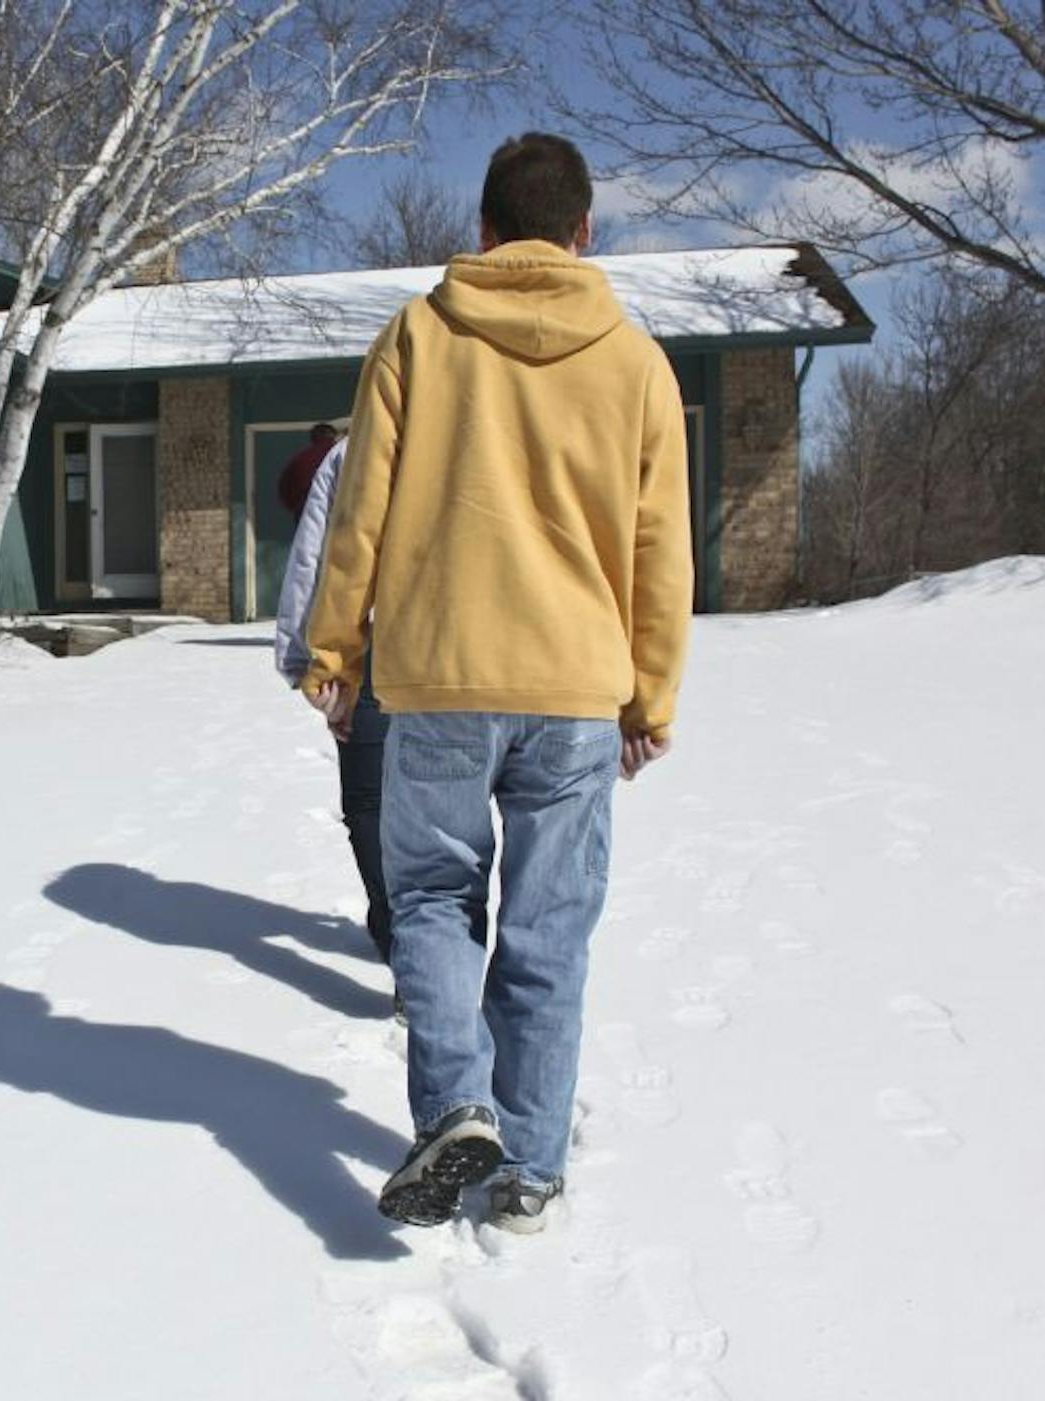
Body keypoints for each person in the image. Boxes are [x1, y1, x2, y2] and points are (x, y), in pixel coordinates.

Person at [299, 133, 692, 1234]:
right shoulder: (636, 362)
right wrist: (651, 694)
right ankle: (526, 1171)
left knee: (430, 897)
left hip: (436, 679)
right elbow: (663, 549)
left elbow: (358, 510)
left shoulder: (420, 336)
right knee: (549, 929)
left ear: (479, 232)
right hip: (574, 690)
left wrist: (335, 652)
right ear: (584, 233)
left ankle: (456, 1106)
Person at [273, 432, 394, 979]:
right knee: (446, 814)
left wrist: (306, 657)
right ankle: (440, 953)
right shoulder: (477, 429)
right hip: (462, 656)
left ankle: (402, 938)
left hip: (367, 649)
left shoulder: (356, 449)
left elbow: (315, 557)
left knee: (370, 801)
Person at [275, 422, 338, 520]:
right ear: (334, 436)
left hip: (306, 510)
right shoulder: (342, 455)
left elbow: (284, 487)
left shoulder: (299, 459)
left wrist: (297, 507)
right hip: (338, 510)